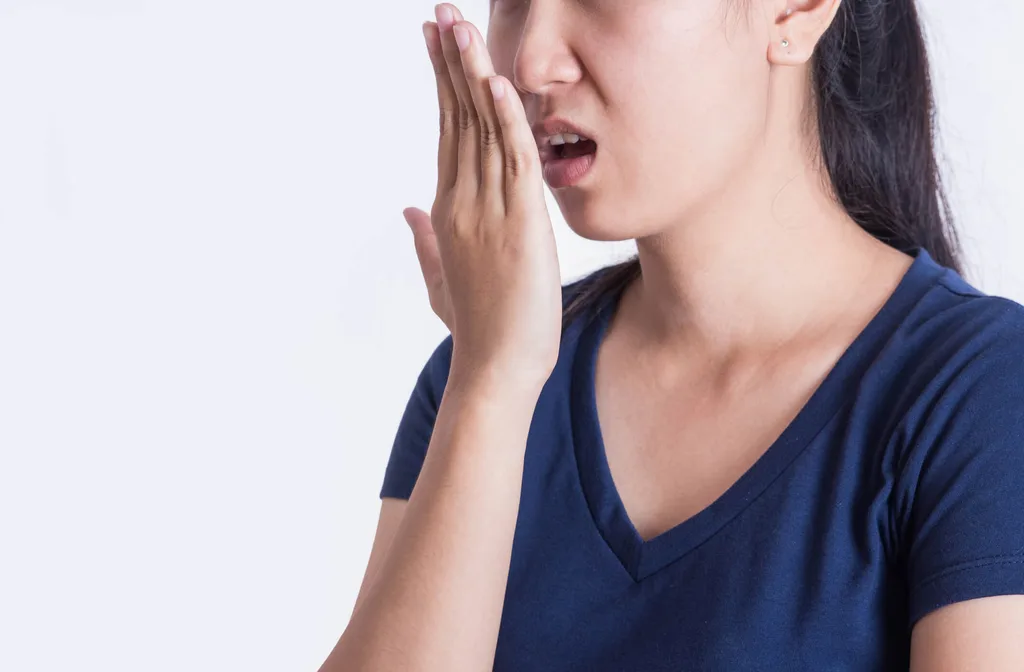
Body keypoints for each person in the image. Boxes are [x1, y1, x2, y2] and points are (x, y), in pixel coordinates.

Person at [322, 1, 1024, 669]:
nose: (532, 63)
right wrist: (491, 383)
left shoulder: (980, 395)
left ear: (795, 10)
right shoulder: (479, 380)